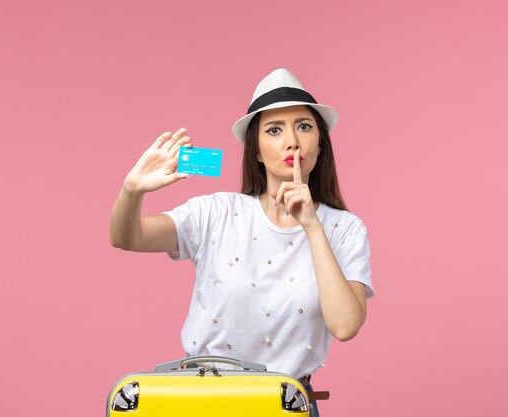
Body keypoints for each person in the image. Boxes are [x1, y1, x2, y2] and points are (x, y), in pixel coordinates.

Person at [110, 68, 374, 416]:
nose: (292, 140)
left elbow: (345, 326)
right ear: (258, 152)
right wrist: (132, 189)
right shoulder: (217, 212)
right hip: (198, 402)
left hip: (283, 406)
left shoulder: (345, 229)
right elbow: (126, 237)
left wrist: (311, 225)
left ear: (320, 144)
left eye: (304, 126)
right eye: (274, 130)